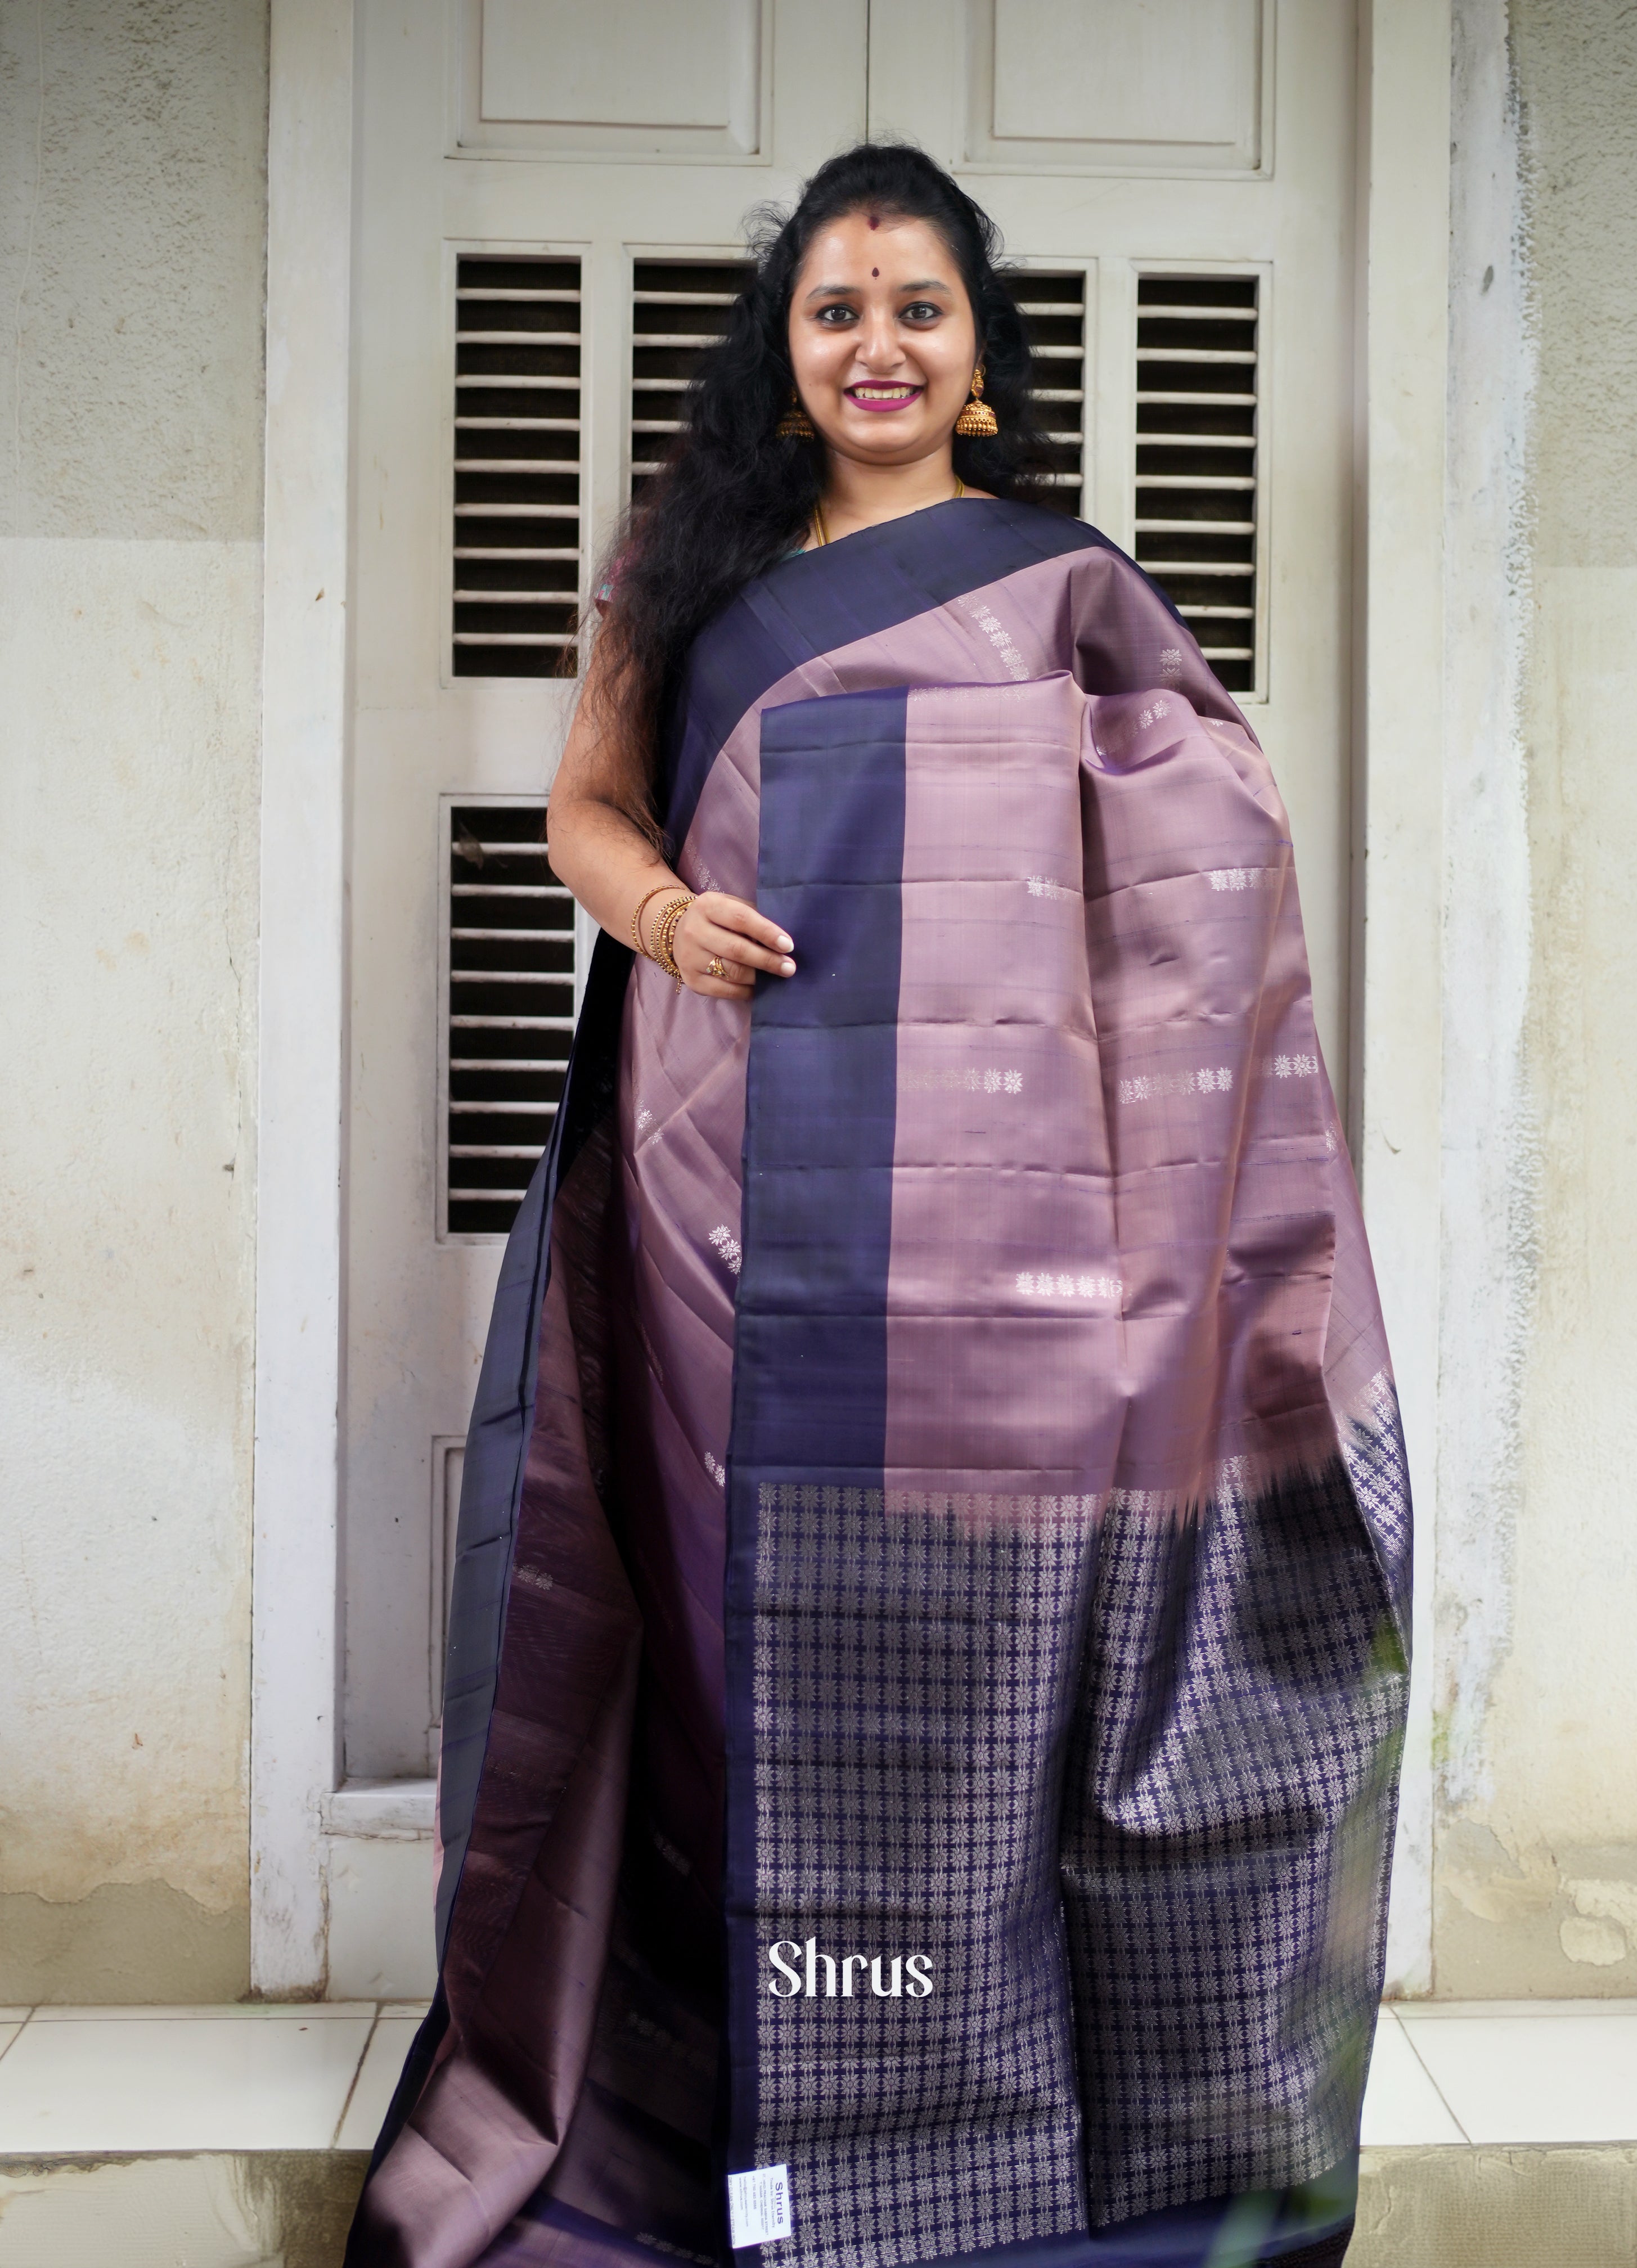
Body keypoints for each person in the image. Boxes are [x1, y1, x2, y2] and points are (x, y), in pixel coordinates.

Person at [345, 144, 1410, 2268]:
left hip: (998, 1226)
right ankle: (732, 2102)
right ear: (786, 353)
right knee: (740, 1617)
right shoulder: (695, 560)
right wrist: (663, 913)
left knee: (971, 1638)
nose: (878, 345)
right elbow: (585, 802)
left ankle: (964, 2124)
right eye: (836, 308)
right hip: (730, 1170)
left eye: (920, 306)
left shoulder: (1063, 579)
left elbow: (1205, 843)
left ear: (984, 363)